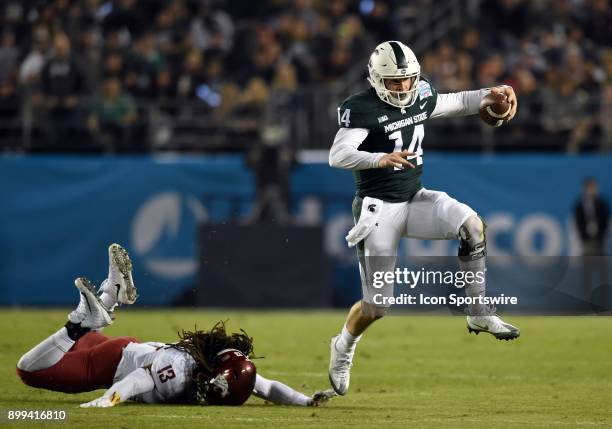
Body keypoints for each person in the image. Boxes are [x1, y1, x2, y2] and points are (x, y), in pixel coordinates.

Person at [327, 41, 521, 396]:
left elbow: (457, 102)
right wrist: (378, 159)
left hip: (415, 199)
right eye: (394, 81)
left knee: (473, 226)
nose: (402, 88)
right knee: (376, 307)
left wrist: (493, 94)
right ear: (375, 78)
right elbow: (338, 155)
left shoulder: (422, 93)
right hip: (379, 210)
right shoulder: (361, 109)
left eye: (408, 80)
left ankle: (478, 310)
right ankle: (343, 347)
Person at [16, 244, 335, 408]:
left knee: (75, 340)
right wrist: (108, 400)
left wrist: (304, 401)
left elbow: (265, 387)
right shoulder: (180, 372)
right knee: (28, 371)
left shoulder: (221, 366)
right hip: (109, 365)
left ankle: (107, 299)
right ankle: (82, 321)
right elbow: (139, 380)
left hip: (125, 348)